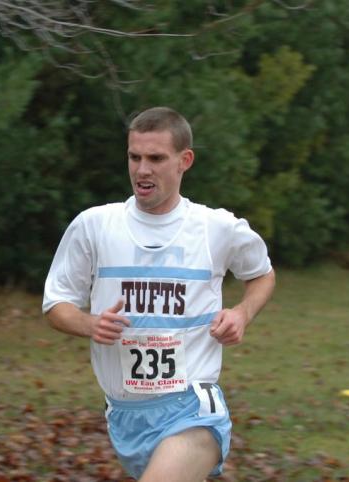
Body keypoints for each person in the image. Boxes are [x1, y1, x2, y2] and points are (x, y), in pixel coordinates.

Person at [42, 106, 276, 481]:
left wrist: (242, 314)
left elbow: (262, 275)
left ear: (185, 160)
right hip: (124, 413)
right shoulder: (95, 226)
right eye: (134, 157)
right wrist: (90, 324)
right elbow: (56, 304)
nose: (142, 169)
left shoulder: (216, 227)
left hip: (193, 408)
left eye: (155, 158)